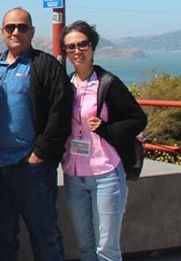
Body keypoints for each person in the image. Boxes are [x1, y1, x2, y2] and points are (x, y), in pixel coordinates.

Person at [0, 7, 73, 261]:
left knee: (44, 236)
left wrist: (39, 154)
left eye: (22, 27)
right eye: (10, 27)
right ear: (2, 32)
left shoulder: (45, 65)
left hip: (31, 168)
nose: (16, 32)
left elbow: (60, 113)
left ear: (32, 32)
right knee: (0, 236)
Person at [60, 21, 147, 261]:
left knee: (106, 250)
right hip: (73, 174)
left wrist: (107, 130)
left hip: (106, 173)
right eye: (71, 47)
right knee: (86, 248)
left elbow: (138, 119)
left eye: (82, 44)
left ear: (92, 46)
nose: (77, 51)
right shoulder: (65, 86)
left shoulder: (108, 83)